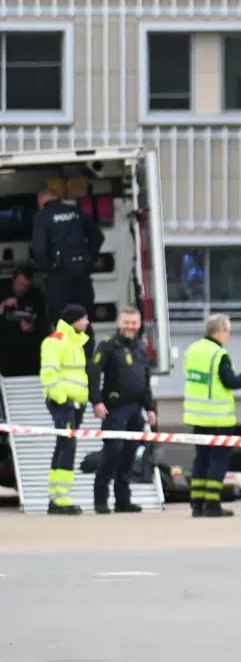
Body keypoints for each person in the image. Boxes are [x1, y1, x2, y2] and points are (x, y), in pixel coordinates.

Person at [182, 314, 241, 517]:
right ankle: (212, 504)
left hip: (197, 416)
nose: (229, 335)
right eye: (229, 331)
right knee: (218, 461)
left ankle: (197, 503)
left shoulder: (192, 349)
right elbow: (231, 382)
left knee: (201, 459)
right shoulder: (219, 354)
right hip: (218, 417)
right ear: (220, 331)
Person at [89, 306, 157, 513]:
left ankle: (122, 500)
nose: (130, 326)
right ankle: (100, 500)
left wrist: (151, 408)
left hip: (136, 409)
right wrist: (96, 402)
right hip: (115, 409)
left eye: (134, 323)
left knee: (129, 455)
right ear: (120, 323)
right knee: (112, 452)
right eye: (127, 322)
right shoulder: (109, 345)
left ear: (139, 325)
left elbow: (145, 382)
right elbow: (93, 372)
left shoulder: (140, 347)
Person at [38, 304, 90, 514]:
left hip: (74, 404)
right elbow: (48, 374)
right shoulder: (55, 341)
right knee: (67, 447)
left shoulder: (75, 342)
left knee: (64, 445)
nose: (87, 323)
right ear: (74, 320)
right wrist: (62, 399)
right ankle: (62, 499)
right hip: (64, 403)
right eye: (84, 319)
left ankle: (56, 497)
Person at [32, 189, 103, 323]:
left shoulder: (42, 216)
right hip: (82, 274)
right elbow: (97, 237)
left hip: (60, 277)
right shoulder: (76, 211)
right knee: (83, 321)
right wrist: (90, 259)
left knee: (61, 322)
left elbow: (39, 251)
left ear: (41, 202)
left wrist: (48, 269)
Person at [0, 266, 49, 377]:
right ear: (13, 280)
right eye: (19, 284)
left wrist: (32, 327)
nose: (21, 288)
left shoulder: (36, 296)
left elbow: (42, 322)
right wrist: (2, 306)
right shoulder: (2, 291)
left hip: (28, 347)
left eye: (25, 286)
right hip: (5, 346)